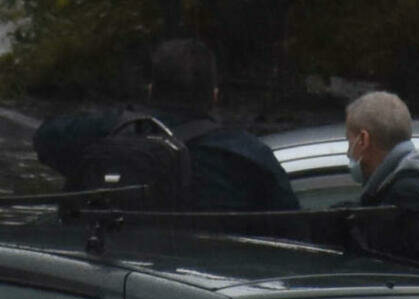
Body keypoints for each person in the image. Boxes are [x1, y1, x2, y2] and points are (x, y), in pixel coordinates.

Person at [32, 39, 299, 214]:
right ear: (215, 96)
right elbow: (292, 235)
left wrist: (115, 119)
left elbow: (45, 138)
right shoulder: (248, 157)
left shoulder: (104, 133)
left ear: (150, 91)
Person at [340, 90, 419, 272]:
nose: (348, 152)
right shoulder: (408, 184)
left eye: (349, 141)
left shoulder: (408, 193)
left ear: (363, 140)